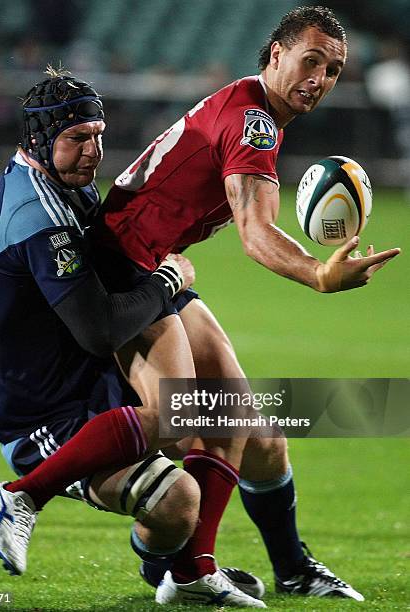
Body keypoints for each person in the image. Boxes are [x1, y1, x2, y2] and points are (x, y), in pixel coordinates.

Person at [90, 5, 400, 604]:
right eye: (311, 61)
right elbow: (256, 233)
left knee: (260, 434)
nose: (321, 79)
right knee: (195, 428)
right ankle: (167, 562)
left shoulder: (251, 109)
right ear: (277, 54)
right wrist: (319, 273)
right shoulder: (254, 119)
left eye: (334, 70)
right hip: (126, 277)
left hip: (151, 267)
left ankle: (285, 568)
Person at [0, 68, 266, 608]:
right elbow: (101, 327)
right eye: (77, 138)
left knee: (223, 411)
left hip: (82, 384)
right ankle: (18, 497)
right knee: (178, 492)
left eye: (99, 134)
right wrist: (168, 281)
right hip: (42, 415)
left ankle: (190, 573)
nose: (94, 151)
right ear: (38, 139)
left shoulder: (60, 189)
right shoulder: (41, 216)